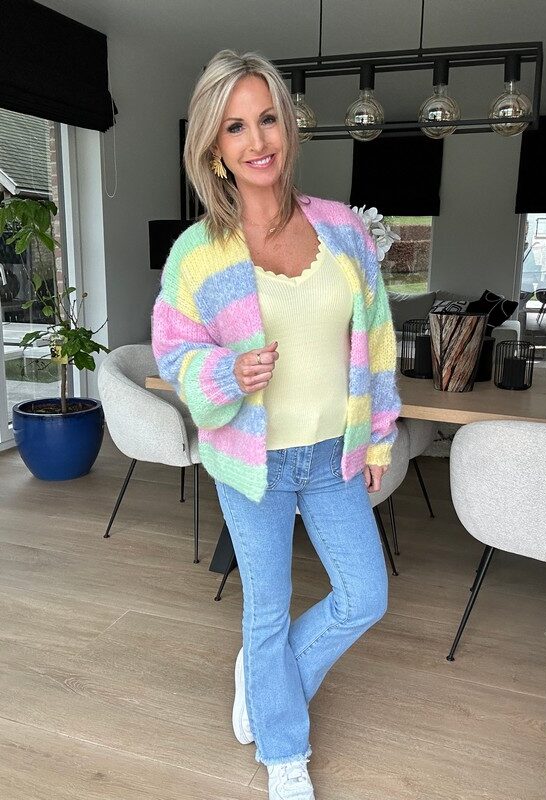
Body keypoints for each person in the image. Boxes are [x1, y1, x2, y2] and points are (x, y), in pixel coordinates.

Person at [152, 49, 401, 800]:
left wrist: (379, 436)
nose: (257, 140)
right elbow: (173, 352)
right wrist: (228, 373)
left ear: (288, 127)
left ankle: (266, 683)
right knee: (265, 609)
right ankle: (283, 752)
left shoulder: (343, 230)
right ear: (214, 147)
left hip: (332, 455)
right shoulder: (198, 254)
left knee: (365, 596)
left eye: (267, 119)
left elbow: (378, 340)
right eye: (235, 127)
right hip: (249, 460)